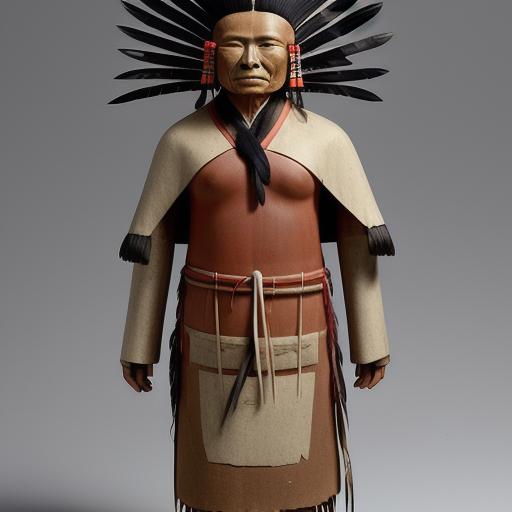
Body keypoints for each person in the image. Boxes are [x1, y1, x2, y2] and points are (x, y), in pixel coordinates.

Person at [111, 1, 395, 511]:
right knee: (215, 471)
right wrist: (139, 343)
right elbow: (152, 243)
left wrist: (370, 339)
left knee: (300, 471)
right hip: (211, 318)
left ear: (292, 54)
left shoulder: (326, 140)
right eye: (235, 45)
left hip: (301, 317)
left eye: (265, 45)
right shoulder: (182, 141)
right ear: (210, 54)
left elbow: (358, 240)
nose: (249, 60)